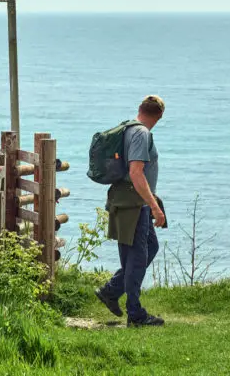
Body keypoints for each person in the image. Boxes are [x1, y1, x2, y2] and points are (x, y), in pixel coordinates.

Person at [95, 95, 167, 327]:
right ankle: (135, 314)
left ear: (140, 109)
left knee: (147, 249)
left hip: (132, 201)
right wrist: (155, 207)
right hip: (134, 204)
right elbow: (136, 173)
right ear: (159, 116)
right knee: (136, 257)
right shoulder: (141, 134)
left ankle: (112, 290)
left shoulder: (128, 128)